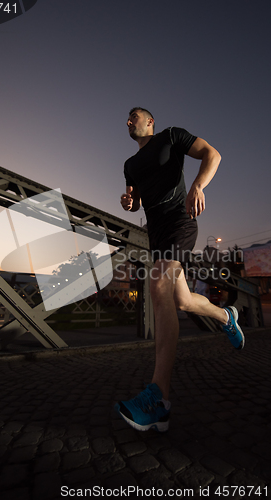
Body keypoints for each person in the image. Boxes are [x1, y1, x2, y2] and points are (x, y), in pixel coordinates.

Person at [115, 107, 245, 433]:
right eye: (127, 119)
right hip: (156, 234)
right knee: (183, 302)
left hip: (180, 221)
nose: (129, 121)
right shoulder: (130, 165)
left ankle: (159, 400)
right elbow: (135, 199)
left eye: (135, 117)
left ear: (150, 122)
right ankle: (227, 317)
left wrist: (199, 186)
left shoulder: (170, 136)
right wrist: (130, 202)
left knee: (158, 285)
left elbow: (211, 154)